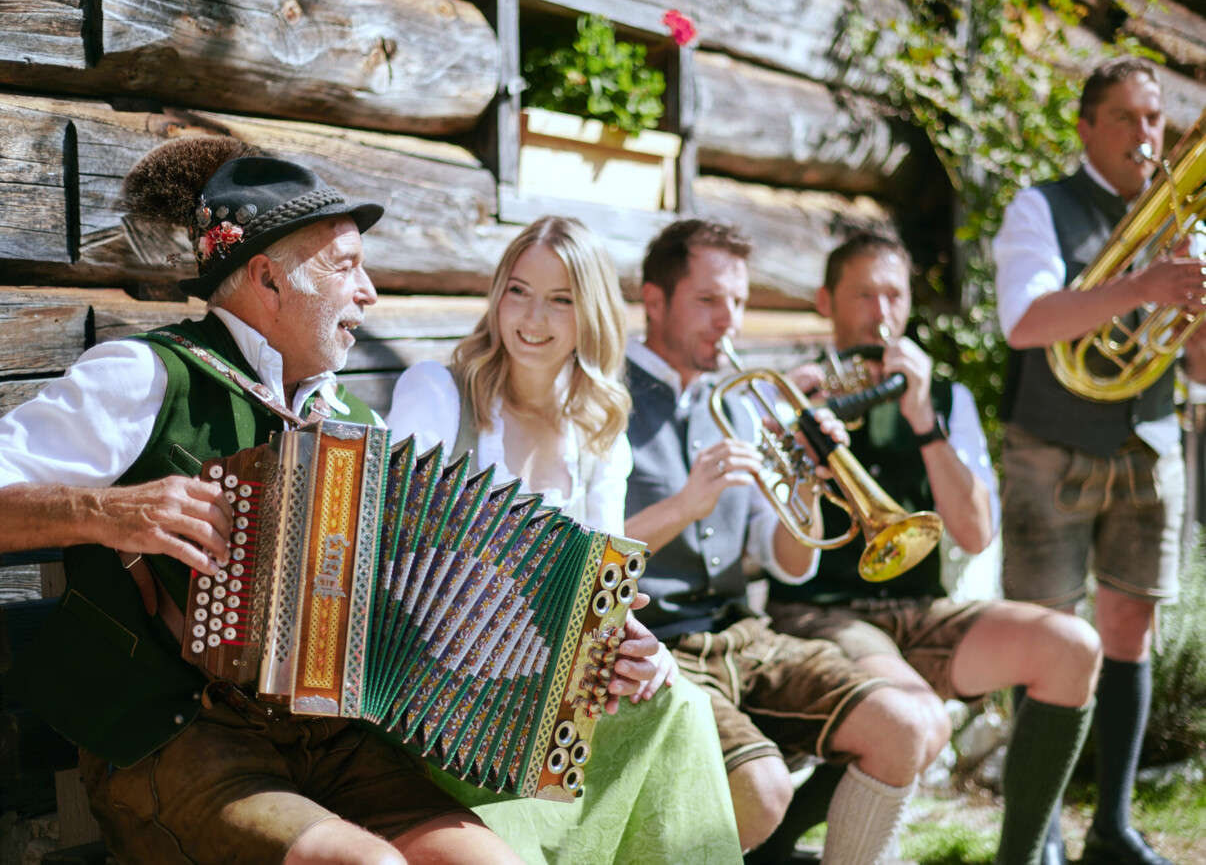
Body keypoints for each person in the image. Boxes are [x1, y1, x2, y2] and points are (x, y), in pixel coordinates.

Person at [0, 139, 655, 865]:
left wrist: (591, 652)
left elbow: (425, 612)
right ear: (268, 280)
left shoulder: (354, 429)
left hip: (335, 742)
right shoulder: (145, 377)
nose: (369, 293)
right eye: (346, 266)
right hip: (177, 741)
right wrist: (108, 512)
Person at [386, 215, 744, 864]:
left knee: (678, 703)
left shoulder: (597, 424)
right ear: (497, 294)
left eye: (560, 299)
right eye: (518, 290)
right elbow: (388, 557)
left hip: (545, 693)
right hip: (436, 705)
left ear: (592, 313)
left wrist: (637, 647)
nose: (532, 317)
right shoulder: (439, 393)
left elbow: (600, 591)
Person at [624, 217, 965, 864]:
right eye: (708, 300)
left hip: (740, 631)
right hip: (653, 646)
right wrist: (684, 505)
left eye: (740, 302)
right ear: (654, 300)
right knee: (764, 789)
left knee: (910, 727)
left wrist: (805, 486)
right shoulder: (605, 397)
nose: (729, 320)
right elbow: (583, 548)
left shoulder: (746, 404)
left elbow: (789, 560)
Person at [762, 232, 1101, 865]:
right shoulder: (787, 399)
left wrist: (924, 421)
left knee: (1073, 647)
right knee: (910, 712)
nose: (881, 312)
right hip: (821, 612)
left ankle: (1021, 857)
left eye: (894, 294)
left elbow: (974, 535)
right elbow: (777, 553)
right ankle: (774, 842)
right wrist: (800, 433)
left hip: (918, 609)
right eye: (863, 294)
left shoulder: (947, 402)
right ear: (825, 303)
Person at [993, 57, 1206, 865]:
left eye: (1154, 119)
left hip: (1147, 446)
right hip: (1051, 446)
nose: (1145, 136)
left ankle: (1110, 827)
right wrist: (1146, 283)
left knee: (1131, 629)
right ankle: (1040, 828)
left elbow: (1197, 370)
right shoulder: (1038, 208)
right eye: (1124, 118)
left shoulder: (1181, 229)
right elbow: (1026, 322)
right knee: (1044, 637)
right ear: (1085, 127)